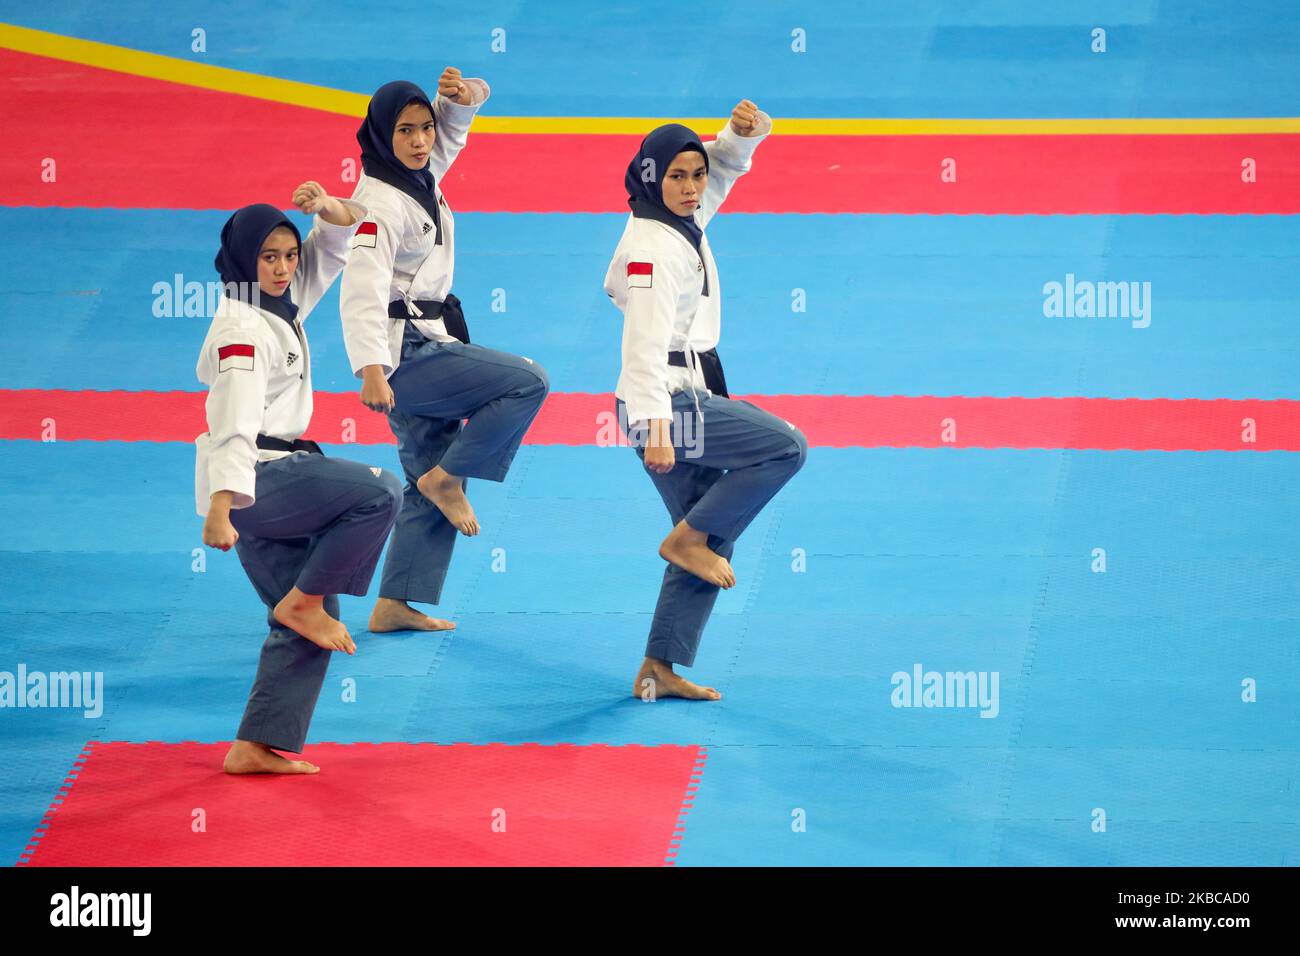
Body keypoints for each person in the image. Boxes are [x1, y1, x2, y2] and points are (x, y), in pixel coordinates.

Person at [605, 101, 808, 702]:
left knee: (707, 533)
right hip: (666, 406)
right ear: (650, 178)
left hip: (675, 401)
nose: (694, 188)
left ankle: (658, 668)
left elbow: (713, 177)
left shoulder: (673, 222)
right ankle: (687, 543)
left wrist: (738, 140)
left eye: (697, 175)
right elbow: (640, 343)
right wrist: (656, 424)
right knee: (784, 448)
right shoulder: (652, 253)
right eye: (678, 177)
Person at [196, 185, 403, 774]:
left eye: (289, 255)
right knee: (380, 491)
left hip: (270, 476)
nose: (285, 268)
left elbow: (339, 242)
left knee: (307, 605)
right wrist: (220, 505)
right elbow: (233, 421)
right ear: (243, 261)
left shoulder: (275, 304)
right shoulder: (243, 332)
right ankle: (305, 603)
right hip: (257, 480)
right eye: (270, 258)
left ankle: (254, 746)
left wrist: (326, 209)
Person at [340, 70, 549, 635]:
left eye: (425, 128)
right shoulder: (377, 205)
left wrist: (459, 102)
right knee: (526, 383)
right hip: (404, 355)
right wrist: (371, 370)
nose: (420, 140)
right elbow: (360, 288)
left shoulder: (414, 176)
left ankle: (395, 603)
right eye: (405, 131)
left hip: (429, 337)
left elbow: (449, 139)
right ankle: (450, 476)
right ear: (383, 136)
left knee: (423, 476)